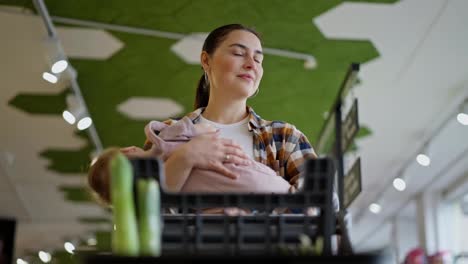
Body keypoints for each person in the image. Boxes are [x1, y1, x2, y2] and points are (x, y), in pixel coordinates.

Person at [147, 23, 318, 195]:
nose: (251, 64)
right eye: (238, 53)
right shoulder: (166, 134)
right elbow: (138, 209)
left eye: (258, 59)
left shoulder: (285, 138)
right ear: (206, 61)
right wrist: (185, 157)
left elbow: (322, 205)